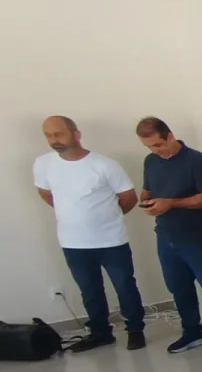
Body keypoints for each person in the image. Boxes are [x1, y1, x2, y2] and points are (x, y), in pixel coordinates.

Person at [34, 116, 146, 352]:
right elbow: (45, 193)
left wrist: (105, 218)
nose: (54, 139)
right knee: (90, 290)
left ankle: (135, 330)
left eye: (59, 134)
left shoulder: (104, 165)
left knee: (125, 286)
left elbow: (128, 198)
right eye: (48, 135)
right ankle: (100, 333)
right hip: (73, 242)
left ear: (76, 134)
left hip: (111, 240)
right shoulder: (43, 164)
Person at [137, 116, 202, 356]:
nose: (154, 150)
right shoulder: (151, 161)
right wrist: (147, 202)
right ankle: (192, 332)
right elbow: (147, 190)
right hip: (166, 234)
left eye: (158, 144)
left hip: (197, 235)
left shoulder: (197, 161)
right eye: (148, 147)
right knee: (178, 287)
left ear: (170, 135)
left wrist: (171, 203)